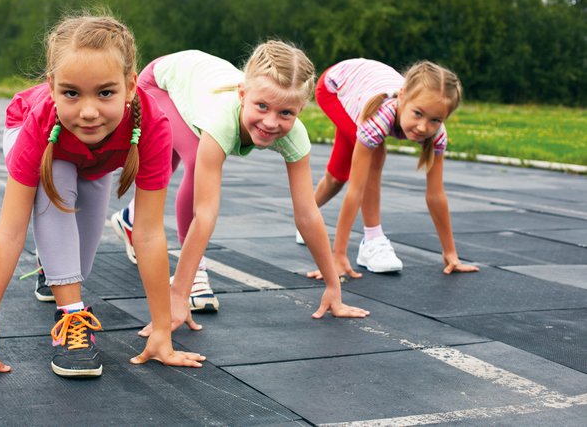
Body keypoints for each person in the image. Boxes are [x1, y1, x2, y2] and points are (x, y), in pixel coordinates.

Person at [0, 15, 204, 382]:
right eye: (72, 93)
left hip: (93, 163)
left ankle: (52, 271)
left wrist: (161, 330)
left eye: (105, 93)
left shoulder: (153, 126)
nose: (89, 111)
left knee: (76, 266)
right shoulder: (43, 117)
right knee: (58, 179)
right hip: (45, 141)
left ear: (129, 87)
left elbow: (148, 234)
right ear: (52, 87)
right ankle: (71, 318)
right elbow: (10, 232)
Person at [111, 42, 370, 336]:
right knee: (194, 158)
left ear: (300, 109)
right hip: (161, 83)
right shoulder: (220, 120)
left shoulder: (295, 135)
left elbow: (308, 214)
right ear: (243, 94)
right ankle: (196, 274)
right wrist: (180, 295)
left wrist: (332, 285)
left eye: (286, 113)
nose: (271, 122)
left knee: (173, 157)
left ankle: (130, 219)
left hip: (194, 85)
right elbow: (205, 213)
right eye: (262, 107)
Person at [303, 58, 479, 279]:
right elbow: (356, 191)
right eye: (417, 113)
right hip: (334, 87)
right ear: (403, 96)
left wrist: (451, 253)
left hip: (361, 87)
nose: (424, 126)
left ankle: (305, 217)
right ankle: (372, 241)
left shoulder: (437, 134)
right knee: (374, 153)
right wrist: (337, 256)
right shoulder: (379, 118)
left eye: (435, 119)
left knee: (338, 176)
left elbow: (436, 194)